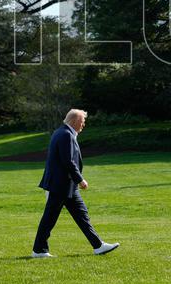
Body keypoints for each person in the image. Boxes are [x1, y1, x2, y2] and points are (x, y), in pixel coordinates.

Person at [32, 109, 119, 258]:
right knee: (50, 218)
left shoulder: (60, 132)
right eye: (82, 122)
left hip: (65, 185)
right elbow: (68, 161)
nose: (83, 125)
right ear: (75, 121)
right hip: (61, 185)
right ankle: (39, 250)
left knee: (81, 215)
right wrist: (80, 179)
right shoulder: (66, 134)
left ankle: (98, 246)